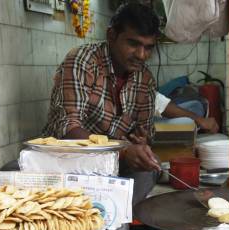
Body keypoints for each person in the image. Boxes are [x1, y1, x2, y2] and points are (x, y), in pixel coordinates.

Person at [42, 2, 161, 204]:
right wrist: (122, 151)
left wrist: (141, 145)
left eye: (148, 47)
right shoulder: (82, 61)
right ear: (111, 35)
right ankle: (98, 214)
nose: (141, 55)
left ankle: (106, 216)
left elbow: (143, 133)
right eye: (133, 44)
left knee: (151, 168)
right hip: (70, 162)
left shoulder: (145, 79)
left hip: (113, 166)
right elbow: (69, 128)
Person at [155, 93, 219, 133]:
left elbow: (160, 103)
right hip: (149, 125)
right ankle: (195, 126)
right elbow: (162, 106)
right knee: (188, 122)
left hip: (155, 112)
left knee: (196, 105)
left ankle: (196, 126)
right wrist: (199, 120)